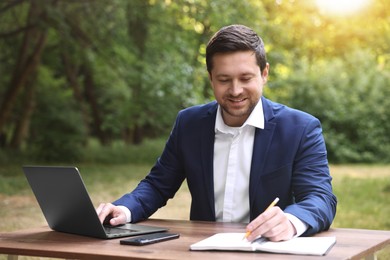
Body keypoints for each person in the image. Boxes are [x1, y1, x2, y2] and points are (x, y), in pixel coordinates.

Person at [97, 24, 337, 242]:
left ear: (264, 74)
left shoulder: (300, 128)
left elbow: (320, 198)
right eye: (224, 80)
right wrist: (124, 209)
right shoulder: (188, 123)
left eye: (245, 78)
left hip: (268, 251)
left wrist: (291, 222)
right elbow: (158, 185)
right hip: (203, 250)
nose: (235, 90)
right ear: (211, 78)